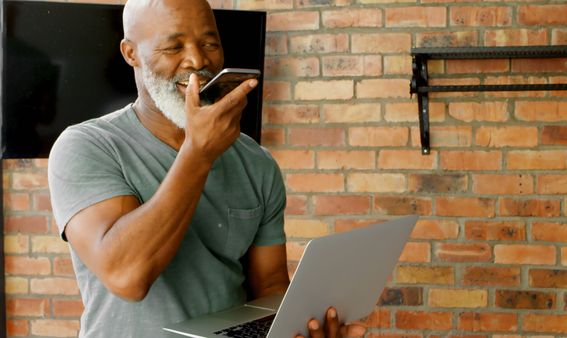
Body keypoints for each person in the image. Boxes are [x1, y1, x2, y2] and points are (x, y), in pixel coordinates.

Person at [47, 0, 366, 337]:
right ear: (131, 53)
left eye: (210, 43)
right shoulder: (86, 146)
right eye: (174, 46)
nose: (198, 61)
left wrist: (301, 326)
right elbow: (127, 276)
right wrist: (198, 154)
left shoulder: (255, 162)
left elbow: (269, 284)